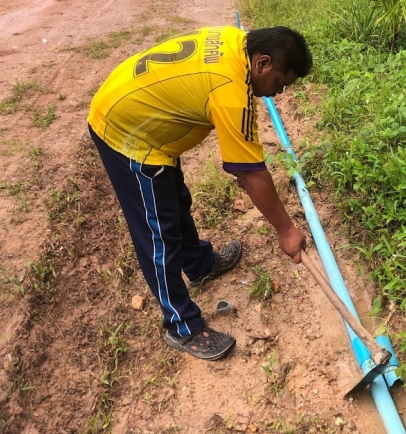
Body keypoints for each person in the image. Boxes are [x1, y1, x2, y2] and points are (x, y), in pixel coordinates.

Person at [88, 25, 312, 361]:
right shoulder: (231, 88)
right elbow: (249, 174)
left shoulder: (236, 41)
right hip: (128, 132)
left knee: (176, 200)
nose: (277, 93)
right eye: (280, 83)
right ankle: (182, 326)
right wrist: (286, 229)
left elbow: (244, 167)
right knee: (158, 233)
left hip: (139, 109)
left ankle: (199, 264)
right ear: (262, 63)